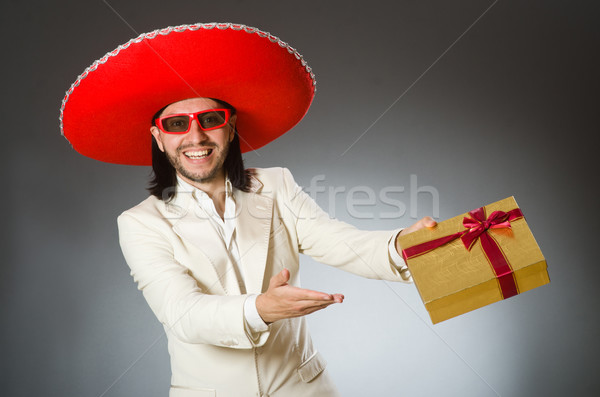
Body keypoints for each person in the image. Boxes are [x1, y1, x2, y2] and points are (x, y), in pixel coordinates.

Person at [60, 23, 435, 397]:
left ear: (231, 126)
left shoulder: (276, 185)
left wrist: (403, 245)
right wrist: (262, 308)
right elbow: (183, 313)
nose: (196, 137)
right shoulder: (139, 223)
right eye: (176, 124)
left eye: (210, 120)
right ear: (158, 137)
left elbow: (337, 241)